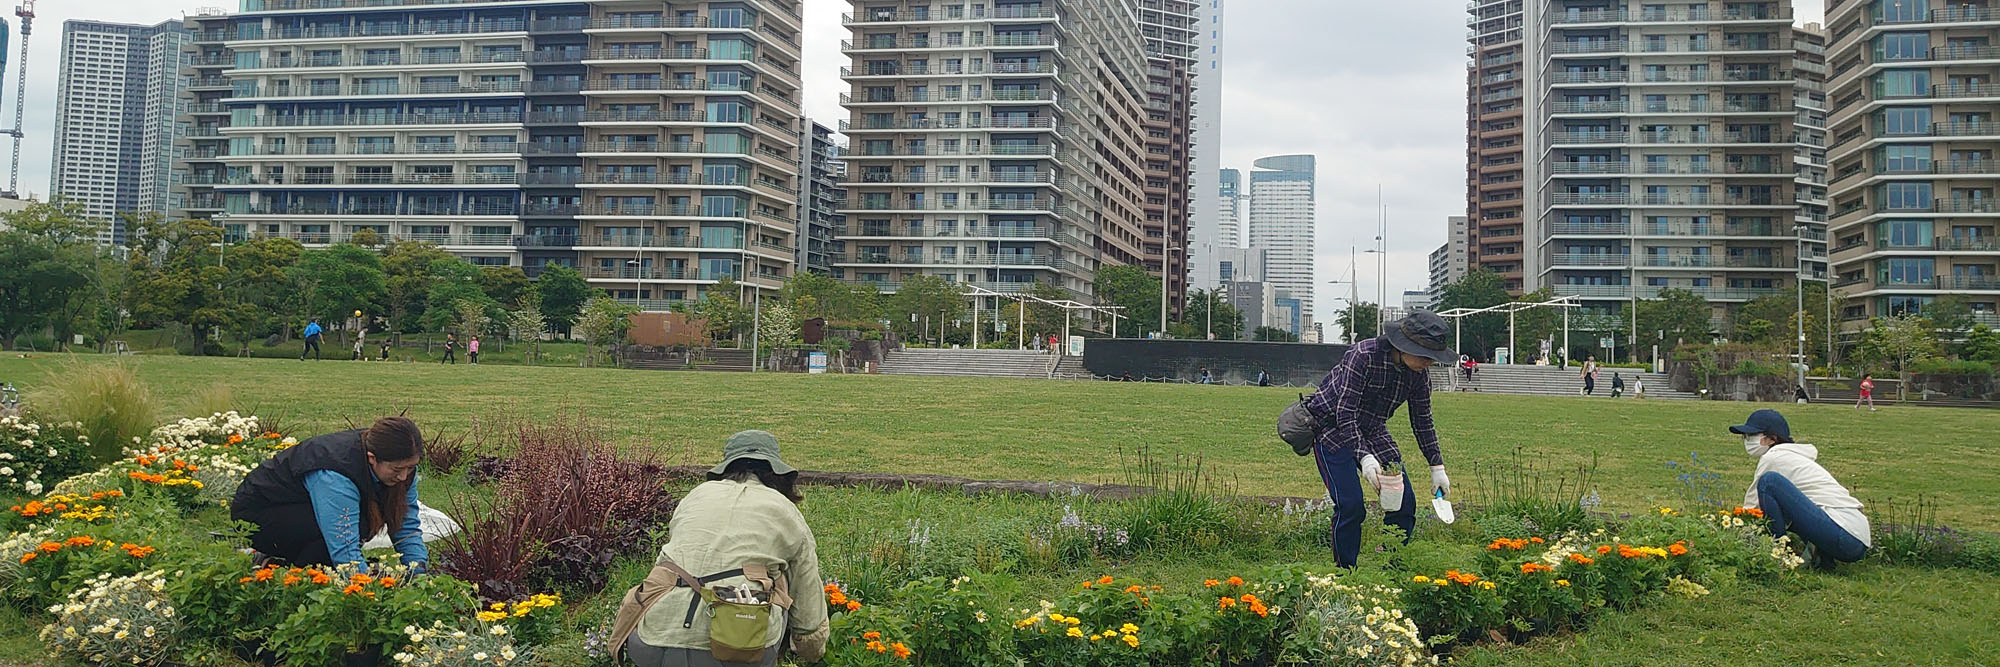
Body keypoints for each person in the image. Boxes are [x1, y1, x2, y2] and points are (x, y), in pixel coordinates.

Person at [620, 431, 827, 667]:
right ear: (776, 472)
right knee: (780, 580)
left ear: (727, 466)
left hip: (651, 642)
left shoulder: (695, 496)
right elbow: (806, 588)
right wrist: (811, 649)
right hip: (739, 649)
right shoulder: (784, 509)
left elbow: (666, 565)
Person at [1302, 312, 1457, 569]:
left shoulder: (1418, 375)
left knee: (1405, 505)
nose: (1429, 363)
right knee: (1351, 505)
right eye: (1425, 355)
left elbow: (1422, 421)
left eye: (1433, 358)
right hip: (1331, 427)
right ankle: (1346, 573)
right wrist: (1365, 458)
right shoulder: (1364, 355)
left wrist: (1436, 467)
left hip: (1373, 429)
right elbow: (1345, 413)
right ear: (1404, 346)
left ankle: (1391, 567)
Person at [230, 416, 427, 569]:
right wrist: (365, 592)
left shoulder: (402, 465)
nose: (403, 477)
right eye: (397, 470)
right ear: (372, 458)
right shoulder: (336, 475)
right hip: (259, 514)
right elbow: (343, 546)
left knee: (357, 525)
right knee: (347, 531)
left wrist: (418, 573)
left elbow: (405, 524)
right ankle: (284, 568)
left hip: (302, 507)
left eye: (410, 468)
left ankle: (294, 564)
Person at [1730, 409, 1870, 570]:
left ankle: (1778, 555)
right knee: (1780, 506)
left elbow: (1751, 507)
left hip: (1845, 535)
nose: (1746, 440)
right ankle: (1822, 559)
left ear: (1771, 439)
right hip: (1852, 538)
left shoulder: (1774, 457)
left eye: (1751, 436)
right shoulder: (1791, 456)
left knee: (1769, 482)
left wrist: (1732, 529)